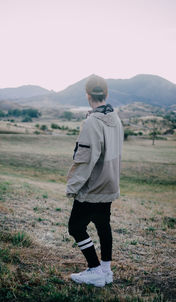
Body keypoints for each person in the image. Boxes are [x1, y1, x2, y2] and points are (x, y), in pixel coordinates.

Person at [66, 75, 123, 287]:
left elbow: (85, 159)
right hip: (110, 183)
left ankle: (95, 269)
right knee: (102, 224)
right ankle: (106, 271)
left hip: (93, 186)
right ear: (106, 94)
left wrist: (72, 186)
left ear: (87, 95)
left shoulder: (92, 121)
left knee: (75, 227)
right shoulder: (115, 118)